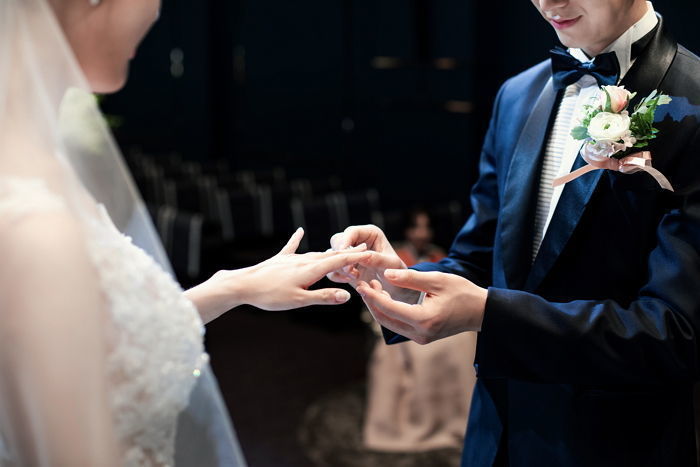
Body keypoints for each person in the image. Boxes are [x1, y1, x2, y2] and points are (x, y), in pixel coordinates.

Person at [0, 0, 370, 465]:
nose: (156, 14)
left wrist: (234, 285)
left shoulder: (33, 170)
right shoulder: (33, 227)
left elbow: (97, 351)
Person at [330, 1, 700, 465]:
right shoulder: (517, 94)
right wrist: (400, 282)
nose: (549, 3)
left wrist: (492, 314)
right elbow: (480, 258)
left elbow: (678, 333)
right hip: (495, 435)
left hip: (617, 443)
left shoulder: (694, 104)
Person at [363, 208, 476, 452]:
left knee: (466, 340)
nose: (422, 234)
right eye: (416, 227)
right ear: (407, 230)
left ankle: (459, 414)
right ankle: (421, 416)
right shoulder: (396, 256)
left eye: (426, 227)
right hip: (401, 316)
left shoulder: (439, 256)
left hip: (439, 317)